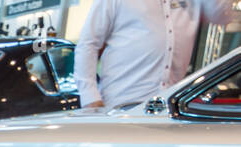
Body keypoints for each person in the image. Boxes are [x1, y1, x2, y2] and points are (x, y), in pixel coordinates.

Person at [75, 0, 240, 109]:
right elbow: (88, 43)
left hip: (168, 107)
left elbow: (222, 16)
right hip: (121, 104)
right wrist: (90, 98)